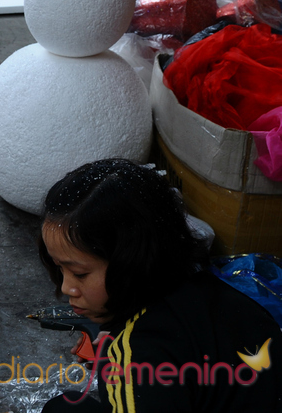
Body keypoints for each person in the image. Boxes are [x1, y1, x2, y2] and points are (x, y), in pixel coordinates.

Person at [39, 158, 282, 412]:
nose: (67, 288)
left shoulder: (136, 359)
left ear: (134, 263)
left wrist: (125, 355)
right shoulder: (217, 289)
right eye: (59, 267)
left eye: (80, 273)